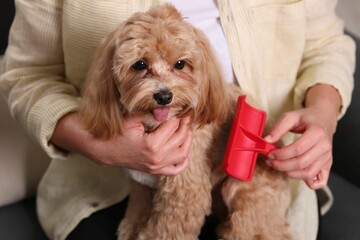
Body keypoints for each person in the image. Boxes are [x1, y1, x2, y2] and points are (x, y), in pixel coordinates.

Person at [0, 0, 355, 240]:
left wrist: (323, 115)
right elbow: (28, 75)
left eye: (178, 67)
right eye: (140, 67)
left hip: (259, 179)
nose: (163, 86)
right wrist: (101, 146)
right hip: (98, 186)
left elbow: (326, 43)